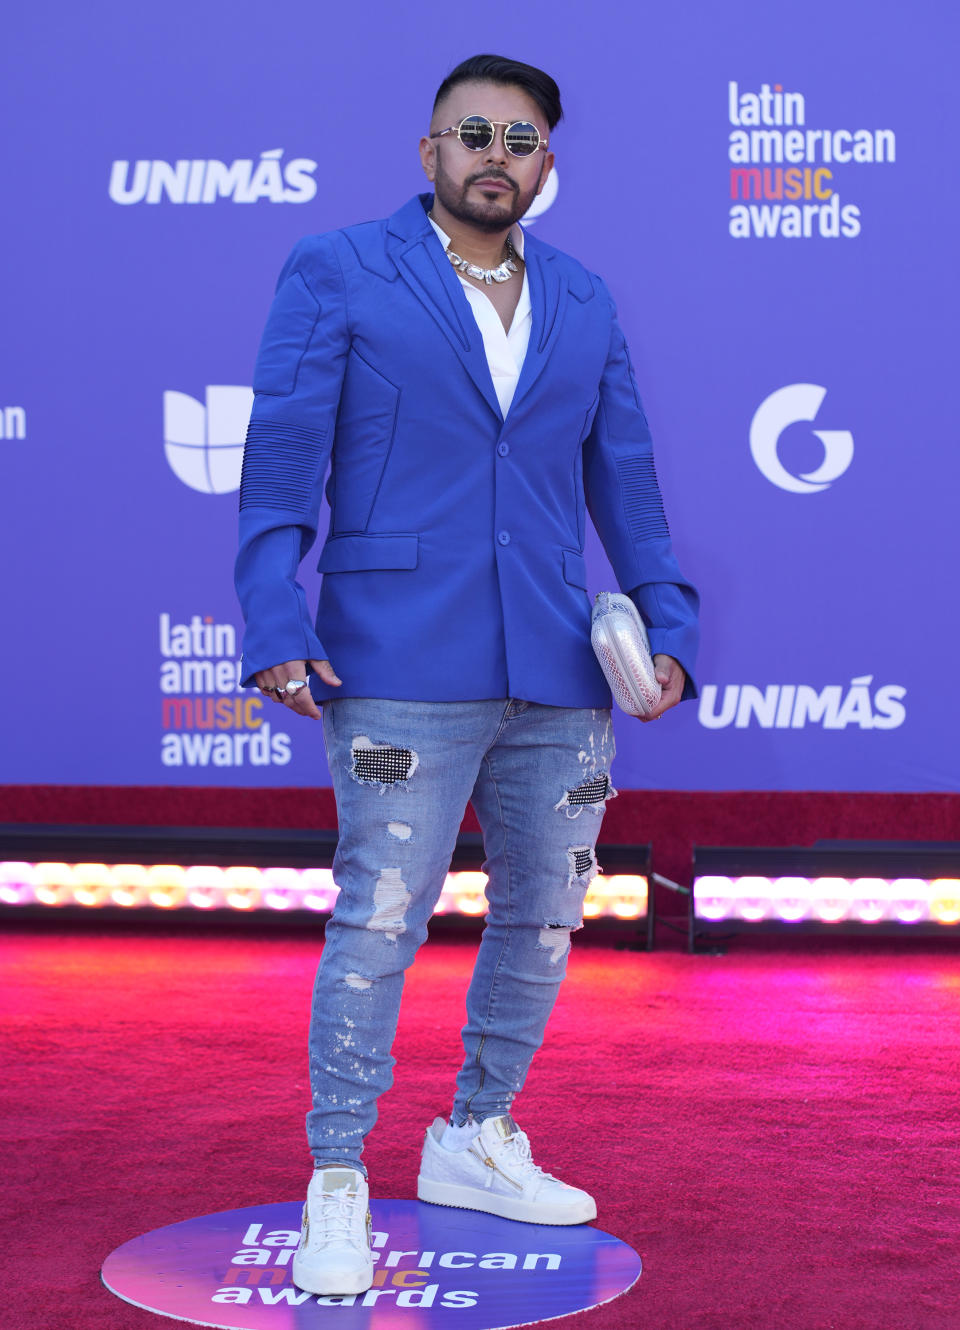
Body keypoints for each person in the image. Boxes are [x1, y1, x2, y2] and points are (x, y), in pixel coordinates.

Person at [234, 53, 699, 1297]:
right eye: (472, 131)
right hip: (396, 653)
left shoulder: (587, 300)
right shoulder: (338, 269)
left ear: (547, 165)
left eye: (522, 137)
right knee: (380, 918)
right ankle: (339, 1173)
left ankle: (475, 1134)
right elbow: (281, 454)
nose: (496, 151)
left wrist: (668, 619)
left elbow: (630, 483)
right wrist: (269, 607)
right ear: (428, 152)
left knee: (545, 918)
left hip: (559, 663)